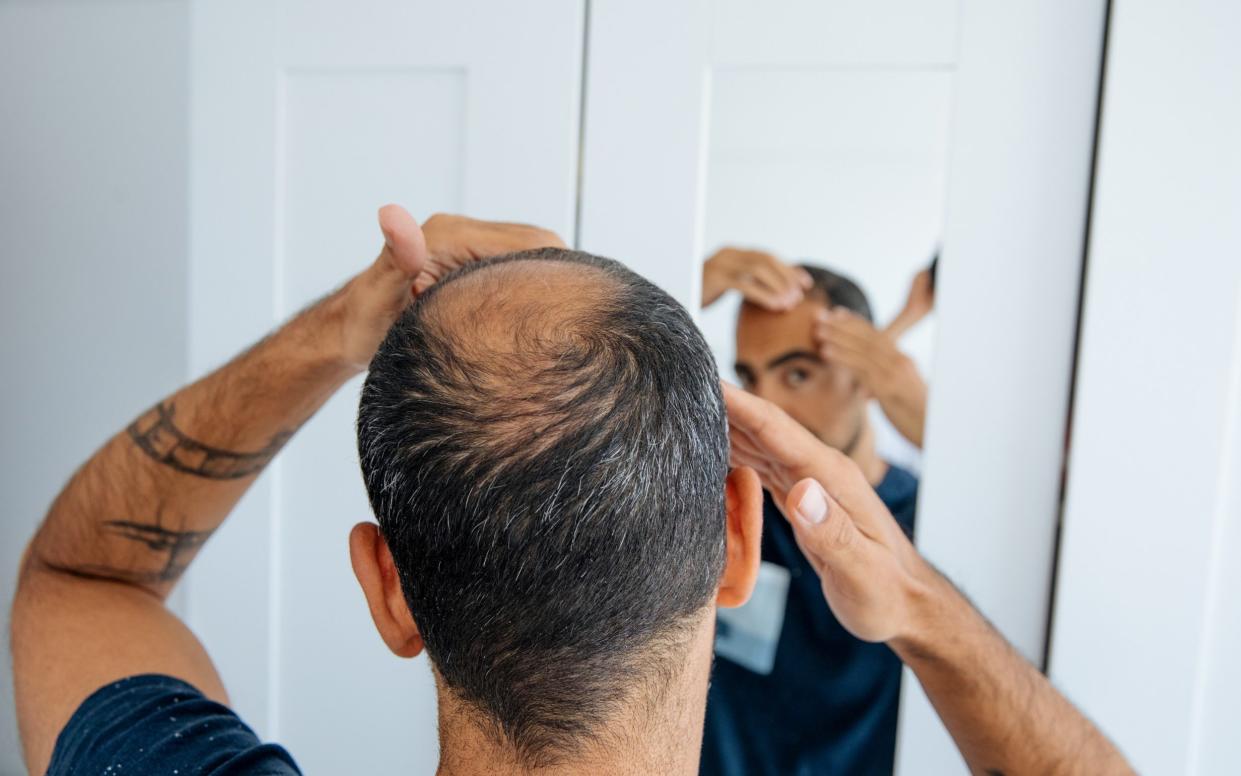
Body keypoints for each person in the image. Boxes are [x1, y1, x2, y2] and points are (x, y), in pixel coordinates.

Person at [11, 208, 1131, 775]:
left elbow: (80, 576)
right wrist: (927, 614)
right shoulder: (800, 549)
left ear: (388, 588)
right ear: (738, 535)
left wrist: (342, 325)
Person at [700, 248, 926, 775]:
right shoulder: (729, 501)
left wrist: (934, 422)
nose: (764, 408)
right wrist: (682, 282)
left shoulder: (929, 521)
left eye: (797, 375)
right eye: (749, 378)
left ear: (866, 377)